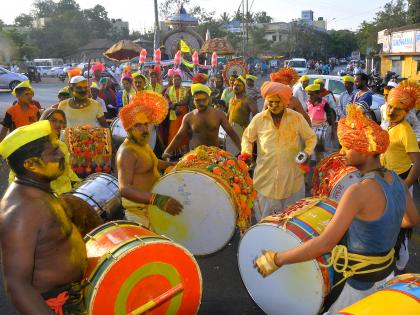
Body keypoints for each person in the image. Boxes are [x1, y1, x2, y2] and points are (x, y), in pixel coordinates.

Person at [254, 103, 420, 313]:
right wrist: (382, 227)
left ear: (366, 151)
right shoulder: (396, 179)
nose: (343, 152)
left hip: (358, 286)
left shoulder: (358, 192)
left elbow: (324, 244)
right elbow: (411, 220)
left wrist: (276, 259)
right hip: (386, 276)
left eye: (349, 147)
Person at [0, 120, 88, 314]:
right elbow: (17, 286)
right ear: (31, 164)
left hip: (74, 294)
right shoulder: (21, 212)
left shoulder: (38, 188)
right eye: (53, 152)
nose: (62, 154)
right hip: (56, 305)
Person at [241, 81, 316, 220]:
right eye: (271, 102)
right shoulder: (259, 119)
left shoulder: (296, 117)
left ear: (284, 101)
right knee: (266, 221)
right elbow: (247, 138)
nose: (274, 106)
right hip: (265, 180)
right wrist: (246, 152)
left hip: (292, 179)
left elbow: (311, 137)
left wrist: (306, 152)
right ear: (266, 102)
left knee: (291, 222)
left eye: (277, 102)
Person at [116, 91, 183, 228]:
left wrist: (174, 164)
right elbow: (124, 189)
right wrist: (157, 199)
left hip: (152, 209)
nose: (144, 129)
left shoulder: (142, 143)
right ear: (128, 129)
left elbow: (152, 162)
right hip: (139, 215)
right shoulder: (127, 152)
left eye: (146, 124)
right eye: (138, 125)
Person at [380, 81, 420, 272]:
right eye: (390, 106)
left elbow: (417, 162)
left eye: (398, 108)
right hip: (387, 180)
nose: (392, 111)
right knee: (390, 221)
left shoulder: (405, 130)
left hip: (401, 181)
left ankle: (401, 267)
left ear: (406, 111)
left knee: (402, 228)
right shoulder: (389, 126)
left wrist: (405, 184)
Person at [9, 108, 81, 195]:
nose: (58, 124)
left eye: (61, 122)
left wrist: (78, 183)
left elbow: (67, 170)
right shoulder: (31, 146)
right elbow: (16, 175)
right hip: (41, 198)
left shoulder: (62, 145)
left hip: (64, 196)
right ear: (43, 122)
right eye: (53, 120)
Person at [163, 83, 241, 158]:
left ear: (209, 99)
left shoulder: (219, 114)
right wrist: (167, 152)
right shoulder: (189, 117)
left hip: (214, 155)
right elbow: (179, 136)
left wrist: (243, 150)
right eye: (198, 100)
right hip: (196, 155)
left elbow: (231, 133)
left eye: (204, 100)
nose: (201, 103)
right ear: (193, 101)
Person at [305, 83, 337, 162]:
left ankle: (324, 164)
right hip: (312, 128)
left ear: (318, 94)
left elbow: (332, 115)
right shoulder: (308, 103)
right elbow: (306, 115)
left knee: (324, 149)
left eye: (312, 95)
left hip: (323, 128)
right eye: (308, 94)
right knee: (314, 148)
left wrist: (333, 130)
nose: (309, 97)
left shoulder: (324, 103)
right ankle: (316, 164)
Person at [164, 69, 190, 156]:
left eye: (178, 79)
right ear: (172, 81)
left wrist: (179, 109)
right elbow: (166, 100)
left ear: (181, 80)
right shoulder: (168, 90)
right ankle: (173, 153)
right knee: (173, 132)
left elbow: (186, 101)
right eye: (175, 80)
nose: (176, 81)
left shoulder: (186, 89)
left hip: (183, 114)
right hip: (174, 114)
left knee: (183, 133)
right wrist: (174, 109)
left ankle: (184, 153)